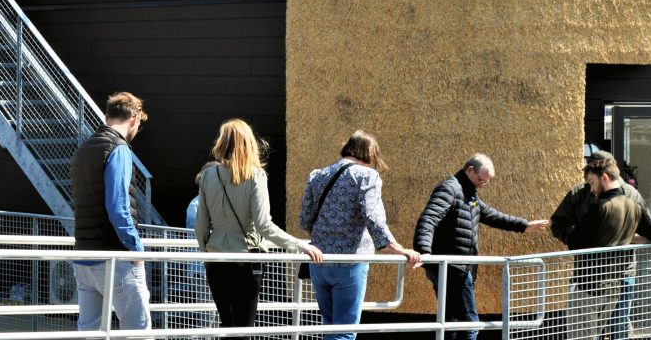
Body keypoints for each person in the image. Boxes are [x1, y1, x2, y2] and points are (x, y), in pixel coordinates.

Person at [195, 119, 324, 333]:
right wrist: (300, 245)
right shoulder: (256, 176)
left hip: (216, 261)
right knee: (243, 329)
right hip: (246, 261)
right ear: (249, 143)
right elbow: (265, 226)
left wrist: (206, 255)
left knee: (227, 326)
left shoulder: (209, 175)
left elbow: (201, 225)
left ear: (222, 142)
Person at [299, 131, 421, 340]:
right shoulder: (366, 176)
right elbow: (374, 219)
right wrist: (397, 248)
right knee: (344, 332)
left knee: (329, 329)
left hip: (319, 262)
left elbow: (304, 219)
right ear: (370, 152)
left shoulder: (317, 175)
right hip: (350, 262)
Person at [412, 154, 548, 340]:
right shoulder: (450, 189)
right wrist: (424, 251)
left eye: (485, 182)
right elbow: (429, 218)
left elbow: (493, 216)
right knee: (471, 324)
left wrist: (524, 225)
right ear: (469, 170)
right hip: (452, 268)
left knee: (452, 322)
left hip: (456, 267)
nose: (482, 184)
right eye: (480, 179)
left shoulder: (469, 194)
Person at [554, 153, 651, 339]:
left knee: (596, 330)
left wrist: (619, 237)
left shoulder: (603, 205)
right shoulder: (631, 202)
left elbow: (577, 242)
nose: (591, 187)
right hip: (612, 279)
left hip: (596, 279)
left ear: (603, 174)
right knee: (612, 326)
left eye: (591, 181)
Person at [69, 92, 152, 334]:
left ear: (107, 115)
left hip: (84, 257)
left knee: (91, 332)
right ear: (134, 119)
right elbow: (118, 208)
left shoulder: (83, 150)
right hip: (115, 258)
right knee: (138, 331)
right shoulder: (119, 149)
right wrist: (137, 251)